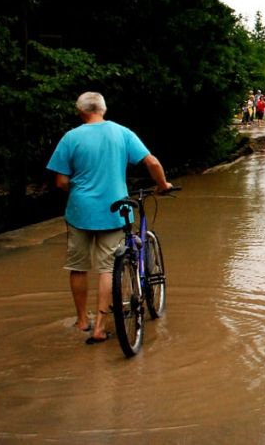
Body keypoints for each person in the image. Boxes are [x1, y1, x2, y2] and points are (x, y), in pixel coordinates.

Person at [46, 92, 172, 345]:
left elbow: (60, 182)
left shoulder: (71, 137)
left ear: (80, 111)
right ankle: (100, 328)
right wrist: (163, 185)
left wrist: (82, 195)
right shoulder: (122, 133)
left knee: (78, 266)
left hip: (80, 212)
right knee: (108, 268)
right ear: (103, 109)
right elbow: (152, 162)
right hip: (116, 210)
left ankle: (82, 320)